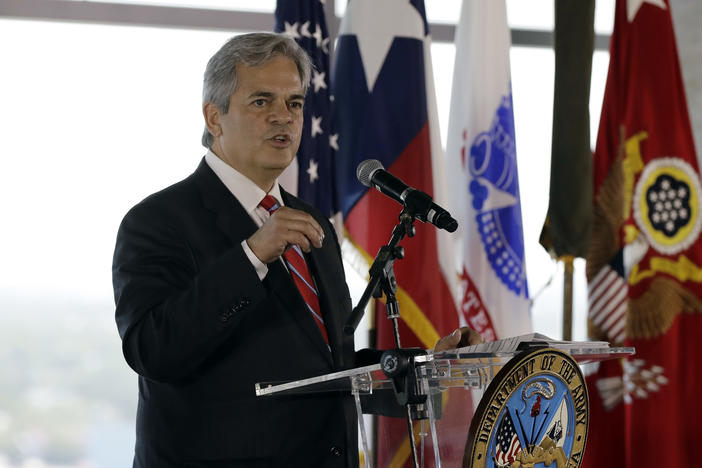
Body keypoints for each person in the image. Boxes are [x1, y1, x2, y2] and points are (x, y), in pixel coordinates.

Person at [112, 32, 479, 468]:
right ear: (214, 118)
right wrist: (251, 256)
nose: (283, 118)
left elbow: (328, 364)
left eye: (295, 103)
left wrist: (424, 367)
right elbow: (153, 351)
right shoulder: (157, 221)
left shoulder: (310, 221)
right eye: (261, 102)